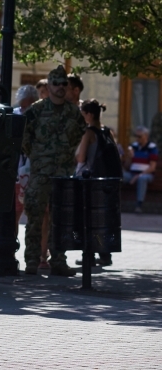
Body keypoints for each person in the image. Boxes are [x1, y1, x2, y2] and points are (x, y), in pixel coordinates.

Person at [21, 65, 85, 276]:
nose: (59, 87)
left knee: (61, 220)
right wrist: (38, 158)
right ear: (48, 85)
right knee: (35, 219)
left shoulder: (73, 112)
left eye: (63, 84)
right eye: (55, 83)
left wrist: (65, 156)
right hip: (41, 173)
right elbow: (25, 138)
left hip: (63, 173)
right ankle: (31, 261)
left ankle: (58, 261)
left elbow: (79, 136)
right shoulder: (36, 110)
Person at [74, 99, 121, 266]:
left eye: (82, 114)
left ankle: (89, 255)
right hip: (107, 181)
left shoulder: (89, 133)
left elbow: (81, 157)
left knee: (88, 218)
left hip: (91, 181)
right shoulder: (108, 132)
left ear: (89, 114)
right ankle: (105, 254)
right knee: (104, 217)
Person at [13, 85, 39, 236]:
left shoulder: (40, 117)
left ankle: (36, 251)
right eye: (23, 104)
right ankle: (12, 250)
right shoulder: (15, 115)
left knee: (35, 215)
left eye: (28, 103)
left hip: (34, 171)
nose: (25, 107)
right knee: (15, 214)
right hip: (18, 172)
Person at [122, 126, 157, 213]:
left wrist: (138, 176)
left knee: (142, 179)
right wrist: (129, 157)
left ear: (146, 136)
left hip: (146, 174)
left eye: (139, 136)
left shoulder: (152, 148)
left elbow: (152, 167)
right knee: (119, 176)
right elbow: (127, 167)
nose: (137, 138)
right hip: (132, 174)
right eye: (135, 136)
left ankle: (139, 205)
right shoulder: (133, 146)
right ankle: (114, 201)